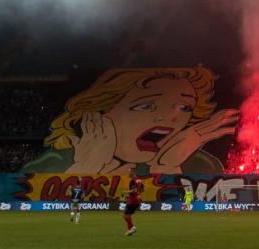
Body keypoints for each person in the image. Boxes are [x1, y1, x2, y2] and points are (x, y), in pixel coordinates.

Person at [23, 67, 239, 174]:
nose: (171, 117)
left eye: (184, 108)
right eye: (146, 106)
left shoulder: (203, 165)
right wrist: (85, 167)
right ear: (102, 112)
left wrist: (167, 169)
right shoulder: (54, 162)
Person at [123, 168, 144, 236]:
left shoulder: (133, 180)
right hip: (137, 200)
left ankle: (133, 227)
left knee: (125, 216)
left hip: (133, 200)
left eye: (129, 172)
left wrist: (126, 192)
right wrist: (138, 194)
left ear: (133, 172)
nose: (128, 173)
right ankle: (129, 231)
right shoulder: (139, 180)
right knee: (129, 215)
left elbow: (134, 190)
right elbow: (142, 190)